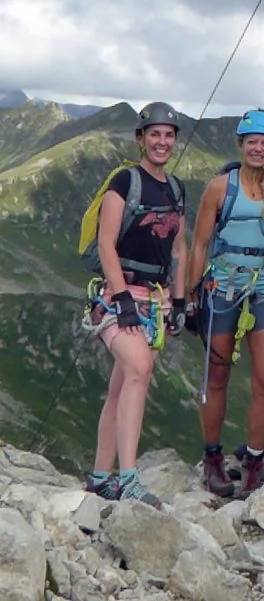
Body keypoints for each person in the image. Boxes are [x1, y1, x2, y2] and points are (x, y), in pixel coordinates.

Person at [187, 109, 264, 499]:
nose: (257, 148)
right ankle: (213, 457)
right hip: (223, 284)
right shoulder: (220, 187)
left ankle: (253, 461)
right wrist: (189, 296)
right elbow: (199, 243)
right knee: (216, 377)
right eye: (251, 141)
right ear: (240, 145)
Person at [86, 102, 187, 507]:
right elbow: (105, 242)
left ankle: (99, 477)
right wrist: (122, 298)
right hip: (118, 295)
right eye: (155, 134)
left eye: (168, 135)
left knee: (121, 386)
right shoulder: (124, 183)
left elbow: (178, 247)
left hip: (156, 300)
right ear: (140, 139)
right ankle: (128, 479)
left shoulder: (177, 188)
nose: (162, 142)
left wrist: (180, 300)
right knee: (139, 370)